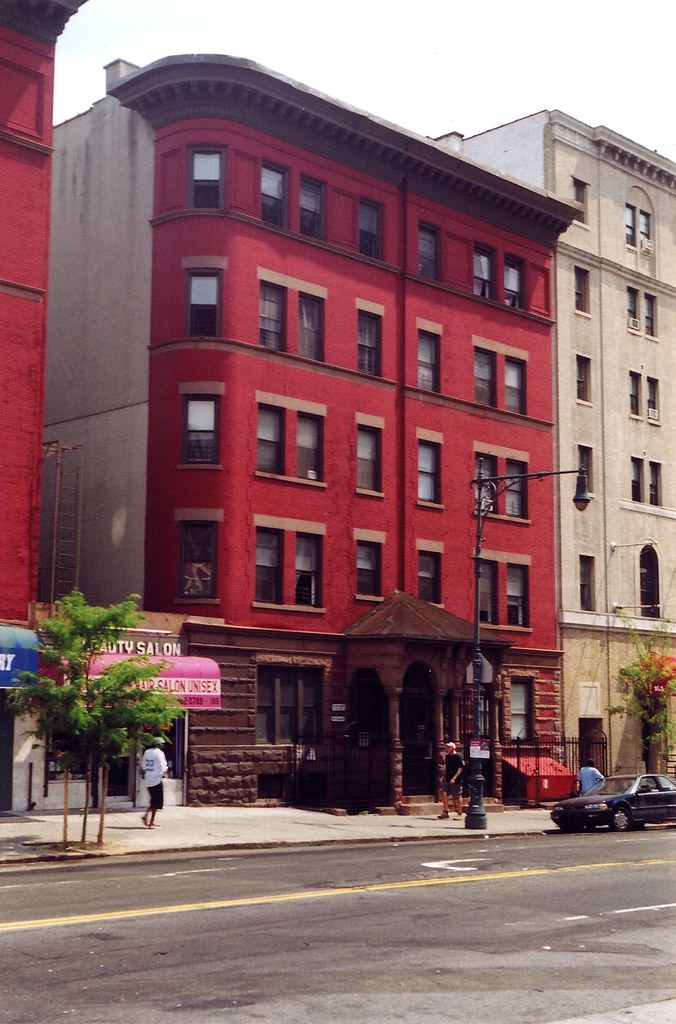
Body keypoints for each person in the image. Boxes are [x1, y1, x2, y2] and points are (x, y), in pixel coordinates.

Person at [140, 737, 169, 828]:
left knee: (153, 800)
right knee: (156, 801)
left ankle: (147, 817)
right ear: (157, 744)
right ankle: (151, 822)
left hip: (148, 778)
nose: (162, 746)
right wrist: (164, 772)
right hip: (156, 779)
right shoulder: (159, 753)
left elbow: (143, 766)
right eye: (161, 744)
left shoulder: (147, 752)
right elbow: (162, 765)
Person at [438, 741, 465, 820]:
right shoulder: (448, 756)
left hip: (456, 780)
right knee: (443, 792)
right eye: (447, 747)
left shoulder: (458, 756)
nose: (447, 748)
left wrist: (454, 778)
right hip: (448, 779)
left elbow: (460, 768)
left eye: (448, 747)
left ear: (452, 748)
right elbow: (447, 767)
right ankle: (446, 811)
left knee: (457, 796)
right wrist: (444, 776)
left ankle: (459, 813)